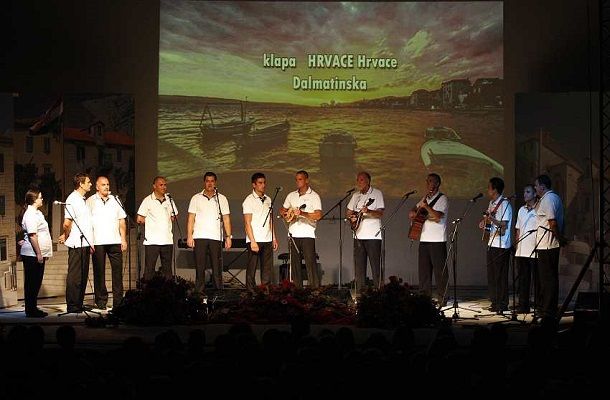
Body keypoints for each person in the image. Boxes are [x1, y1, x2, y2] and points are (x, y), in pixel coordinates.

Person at [186, 171, 232, 292]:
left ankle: (218, 292)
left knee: (217, 267)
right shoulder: (196, 198)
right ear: (204, 182)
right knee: (200, 267)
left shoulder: (221, 199)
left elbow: (226, 218)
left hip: (215, 237)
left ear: (215, 183)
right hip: (199, 236)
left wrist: (228, 236)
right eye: (207, 181)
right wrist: (189, 236)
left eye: (212, 181)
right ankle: (199, 292)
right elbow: (191, 218)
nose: (210, 183)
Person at [87, 176, 127, 310]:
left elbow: (122, 220)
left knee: (117, 272)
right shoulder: (90, 201)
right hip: (98, 241)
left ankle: (118, 302)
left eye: (108, 184)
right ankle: (101, 301)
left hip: (115, 240)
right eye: (103, 184)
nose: (106, 187)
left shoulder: (115, 200)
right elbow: (87, 223)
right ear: (97, 187)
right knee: (99, 272)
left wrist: (123, 239)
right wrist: (90, 241)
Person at [408, 173, 448, 305]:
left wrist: (426, 208)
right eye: (427, 181)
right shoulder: (425, 198)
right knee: (424, 271)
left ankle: (442, 298)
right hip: (424, 239)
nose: (428, 183)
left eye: (431, 181)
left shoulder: (442, 198)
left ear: (437, 183)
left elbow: (438, 216)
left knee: (440, 271)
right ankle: (424, 298)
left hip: (437, 240)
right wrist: (413, 212)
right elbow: (414, 209)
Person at [58, 173, 94, 313]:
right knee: (75, 275)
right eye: (88, 182)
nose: (90, 184)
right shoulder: (72, 199)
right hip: (76, 243)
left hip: (84, 242)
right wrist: (66, 235)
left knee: (83, 275)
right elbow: (67, 223)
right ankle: (72, 304)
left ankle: (78, 303)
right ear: (81, 184)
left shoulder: (82, 199)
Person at [279, 170, 322, 288]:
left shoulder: (314, 196)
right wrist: (286, 213)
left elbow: (318, 215)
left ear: (306, 180)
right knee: (295, 265)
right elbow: (282, 210)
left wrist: (302, 213)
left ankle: (314, 289)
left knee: (310, 263)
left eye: (300, 179)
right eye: (296, 179)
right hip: (293, 234)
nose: (298, 182)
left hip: (307, 234)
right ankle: (297, 290)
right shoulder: (291, 195)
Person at [533, 174, 566, 324]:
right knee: (546, 279)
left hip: (548, 245)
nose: (535, 188)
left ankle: (548, 311)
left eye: (536, 185)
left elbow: (552, 222)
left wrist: (559, 238)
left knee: (548, 279)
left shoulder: (549, 199)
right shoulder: (547, 199)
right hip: (544, 245)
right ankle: (545, 309)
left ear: (542, 186)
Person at [479, 177, 513, 315]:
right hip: (491, 242)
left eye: (489, 187)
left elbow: (504, 224)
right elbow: (490, 221)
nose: (488, 190)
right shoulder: (491, 203)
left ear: (495, 189)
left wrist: (491, 218)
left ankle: (502, 303)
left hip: (501, 244)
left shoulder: (505, 204)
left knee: (500, 275)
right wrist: (484, 222)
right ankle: (494, 302)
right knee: (492, 274)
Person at [346, 171, 384, 292]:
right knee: (359, 268)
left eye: (361, 180)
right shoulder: (355, 195)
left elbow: (380, 213)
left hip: (373, 236)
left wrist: (368, 211)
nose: (359, 182)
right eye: (358, 180)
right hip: (358, 235)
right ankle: (360, 293)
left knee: (375, 266)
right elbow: (348, 212)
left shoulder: (377, 193)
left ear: (368, 181)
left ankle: (379, 292)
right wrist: (352, 217)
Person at [136, 176, 178, 280]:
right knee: (149, 269)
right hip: (152, 241)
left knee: (167, 270)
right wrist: (151, 223)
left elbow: (174, 216)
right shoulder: (147, 200)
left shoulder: (169, 200)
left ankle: (168, 289)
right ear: (154, 186)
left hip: (167, 240)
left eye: (165, 185)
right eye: (161, 185)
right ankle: (148, 289)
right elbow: (139, 219)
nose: (164, 187)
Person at [242, 172, 279, 290]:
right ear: (254, 185)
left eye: (264, 183)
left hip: (267, 239)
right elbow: (247, 223)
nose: (263, 185)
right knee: (252, 268)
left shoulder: (268, 199)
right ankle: (250, 291)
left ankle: (265, 291)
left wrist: (274, 238)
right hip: (255, 239)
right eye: (260, 183)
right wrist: (252, 241)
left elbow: (270, 220)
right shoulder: (249, 200)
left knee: (267, 268)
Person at [20, 189, 53, 317]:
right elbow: (32, 235)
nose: (42, 199)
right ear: (34, 200)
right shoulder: (30, 214)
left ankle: (33, 308)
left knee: (36, 282)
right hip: (32, 254)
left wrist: (44, 253)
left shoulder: (37, 213)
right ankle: (30, 310)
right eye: (40, 197)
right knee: (32, 283)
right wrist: (39, 253)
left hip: (38, 253)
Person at [514, 184, 539, 314]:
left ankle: (539, 305)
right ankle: (523, 306)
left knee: (537, 280)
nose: (525, 194)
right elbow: (518, 230)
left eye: (528, 192)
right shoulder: (521, 210)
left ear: (535, 194)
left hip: (535, 250)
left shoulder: (539, 209)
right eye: (524, 192)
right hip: (522, 250)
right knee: (523, 280)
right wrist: (517, 246)